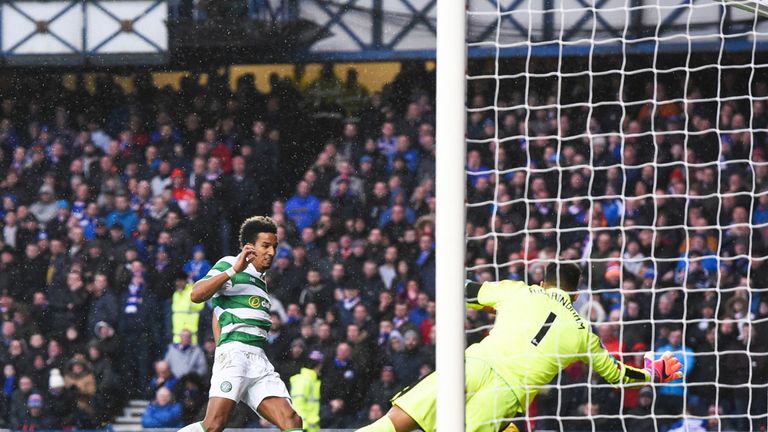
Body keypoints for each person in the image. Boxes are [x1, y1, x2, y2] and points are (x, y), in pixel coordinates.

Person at [357, 262, 684, 432]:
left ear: (544, 284)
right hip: (507, 394)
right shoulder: (583, 332)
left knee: (399, 420)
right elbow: (617, 376)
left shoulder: (519, 291)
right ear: (577, 297)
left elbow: (465, 291)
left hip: (474, 365)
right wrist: (653, 372)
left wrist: (482, 298)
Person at [178, 216, 303, 432]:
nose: (272, 252)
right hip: (235, 354)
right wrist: (233, 270)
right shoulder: (229, 264)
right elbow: (196, 294)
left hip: (258, 360)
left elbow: (218, 312)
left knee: (292, 420)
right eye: (265, 246)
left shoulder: (261, 282)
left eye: (274, 246)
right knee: (214, 426)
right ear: (249, 247)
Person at [289, 350, 324, 432]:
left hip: (311, 427)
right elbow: (298, 404)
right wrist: (302, 426)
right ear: (317, 366)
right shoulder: (304, 380)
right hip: (305, 427)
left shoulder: (312, 380)